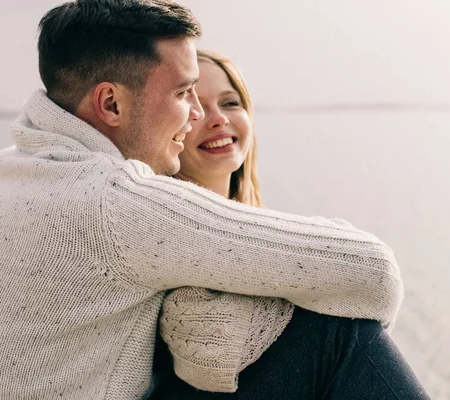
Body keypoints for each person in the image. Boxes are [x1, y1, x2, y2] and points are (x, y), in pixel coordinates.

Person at [0, 1, 411, 399]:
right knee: (334, 337)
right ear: (112, 104)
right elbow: (372, 271)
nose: (198, 113)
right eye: (184, 92)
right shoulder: (109, 201)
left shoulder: (14, 174)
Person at [153, 50, 430, 399]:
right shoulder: (163, 220)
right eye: (197, 109)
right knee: (339, 331)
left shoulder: (256, 223)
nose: (218, 119)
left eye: (230, 102)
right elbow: (208, 351)